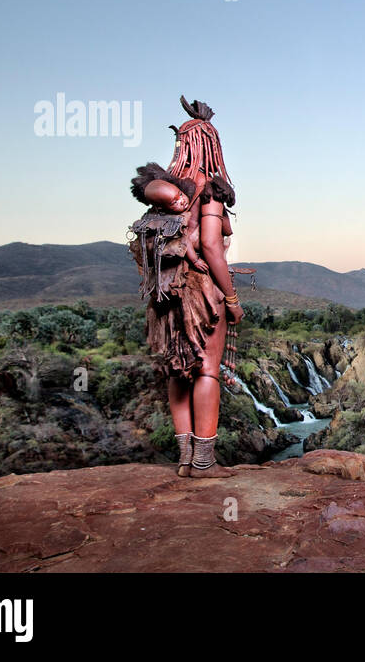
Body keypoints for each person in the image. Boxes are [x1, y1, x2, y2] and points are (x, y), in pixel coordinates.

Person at [128, 96, 243, 478]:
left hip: (166, 294)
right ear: (212, 146)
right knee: (207, 370)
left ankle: (183, 459)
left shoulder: (165, 197)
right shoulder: (209, 190)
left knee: (179, 370)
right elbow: (212, 246)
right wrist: (231, 298)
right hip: (201, 293)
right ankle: (204, 462)